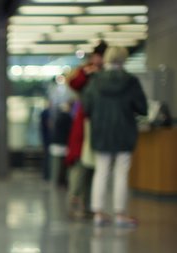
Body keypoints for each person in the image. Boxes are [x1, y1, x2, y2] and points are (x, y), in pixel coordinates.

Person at [82, 46, 148, 228]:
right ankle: (120, 214)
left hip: (101, 132)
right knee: (121, 173)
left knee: (101, 171)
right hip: (124, 132)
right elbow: (142, 108)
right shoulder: (131, 81)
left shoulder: (95, 81)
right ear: (124, 60)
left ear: (107, 59)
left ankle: (98, 213)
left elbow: (86, 107)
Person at [66, 41, 107, 218]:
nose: (99, 60)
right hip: (84, 127)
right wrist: (86, 72)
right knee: (81, 165)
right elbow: (74, 83)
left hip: (99, 126)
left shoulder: (107, 74)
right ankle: (75, 199)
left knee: (94, 168)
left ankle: (89, 205)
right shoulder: (86, 72)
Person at [48, 101, 73, 187]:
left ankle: (55, 181)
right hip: (63, 145)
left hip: (55, 144)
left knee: (56, 166)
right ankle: (62, 182)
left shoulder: (57, 117)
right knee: (63, 166)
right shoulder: (68, 118)